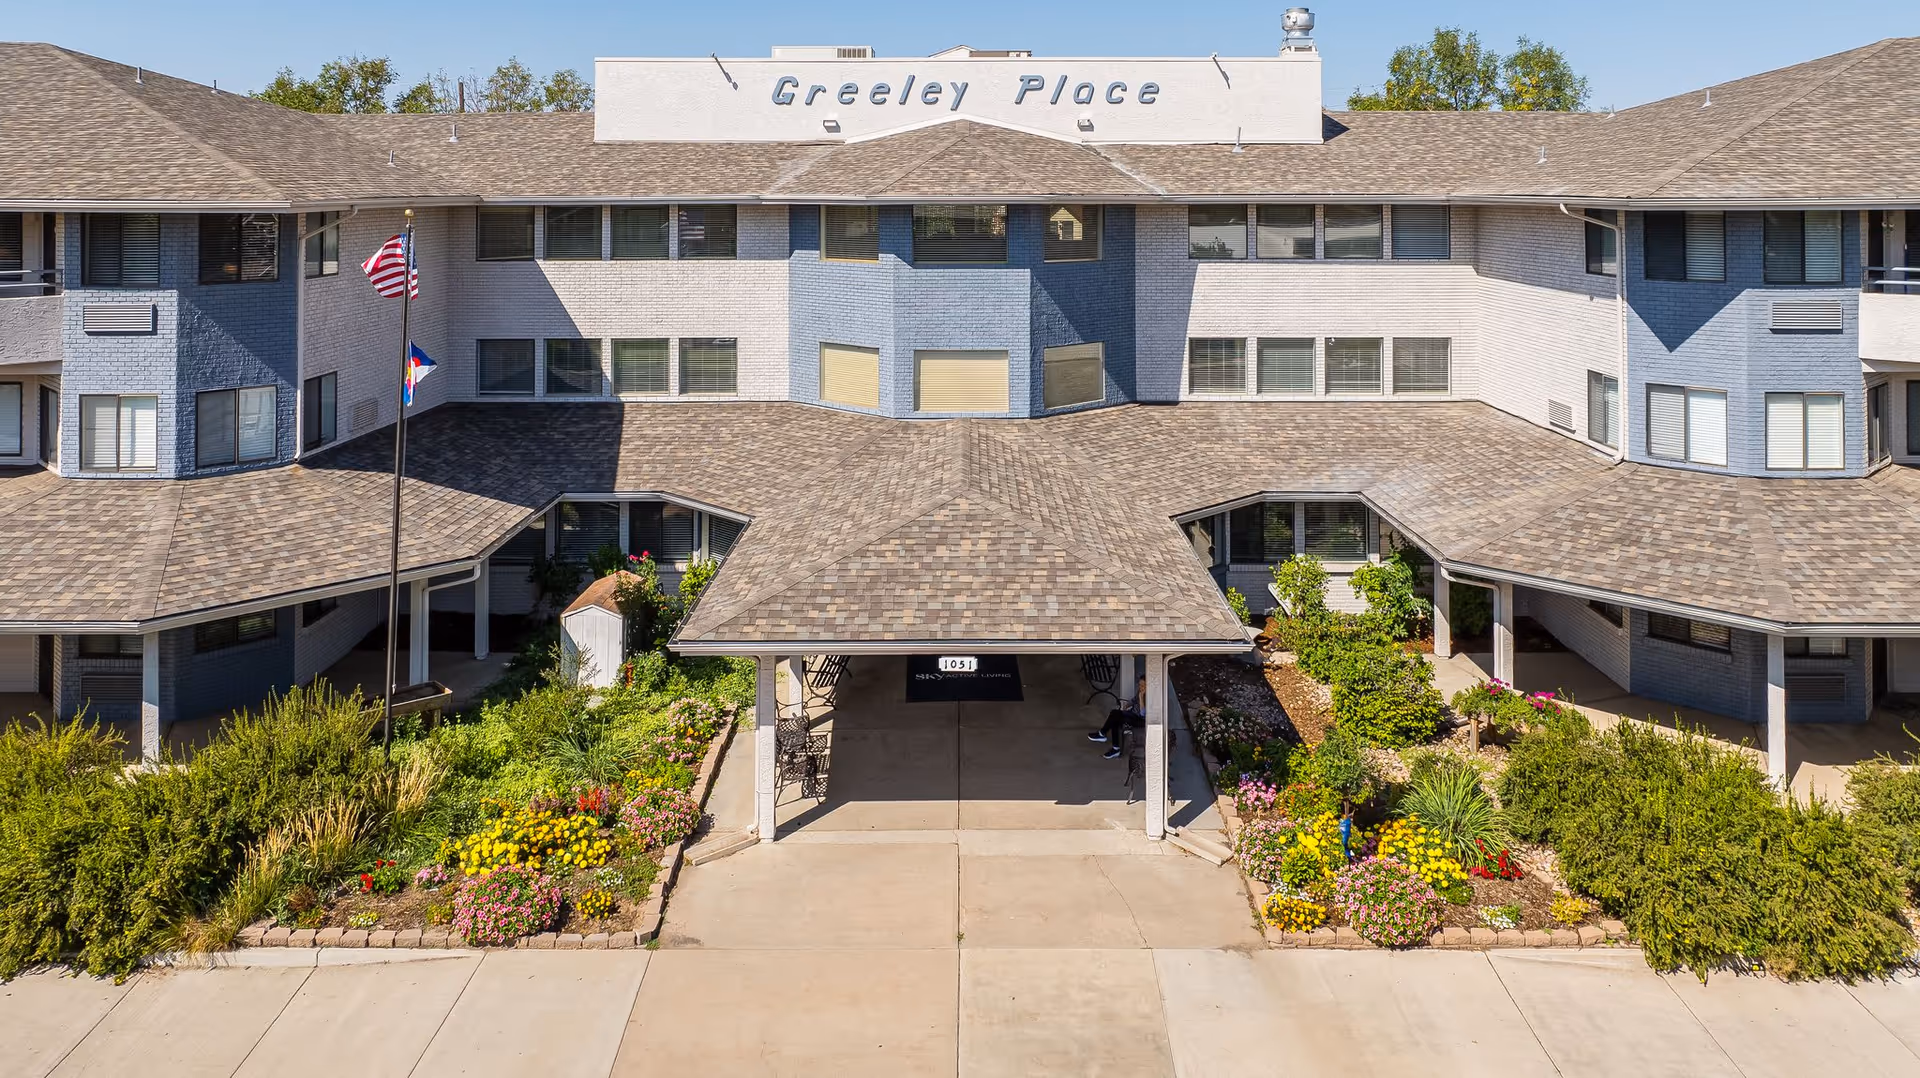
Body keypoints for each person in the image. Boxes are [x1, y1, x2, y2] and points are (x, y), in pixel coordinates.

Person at [1087, 675, 1148, 760]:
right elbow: (1134, 700)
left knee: (1116, 718)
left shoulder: (1150, 696)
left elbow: (1143, 714)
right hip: (1132, 714)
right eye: (1139, 685)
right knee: (1114, 715)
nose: (1140, 687)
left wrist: (1141, 697)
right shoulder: (1140, 691)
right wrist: (1127, 705)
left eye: (1142, 685)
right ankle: (1113, 746)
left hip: (1140, 720)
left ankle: (1104, 736)